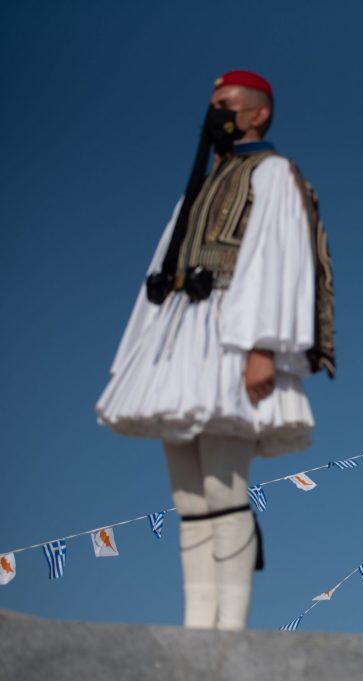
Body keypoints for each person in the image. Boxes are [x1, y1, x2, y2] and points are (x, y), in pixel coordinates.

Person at [96, 70, 335, 630]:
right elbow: (163, 266)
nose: (216, 112)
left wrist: (263, 347)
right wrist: (139, 356)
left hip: (232, 336)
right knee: (188, 497)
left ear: (258, 113)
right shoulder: (199, 186)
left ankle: (230, 628)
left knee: (224, 488)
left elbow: (279, 258)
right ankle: (198, 622)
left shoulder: (273, 173)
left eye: (226, 103)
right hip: (182, 340)